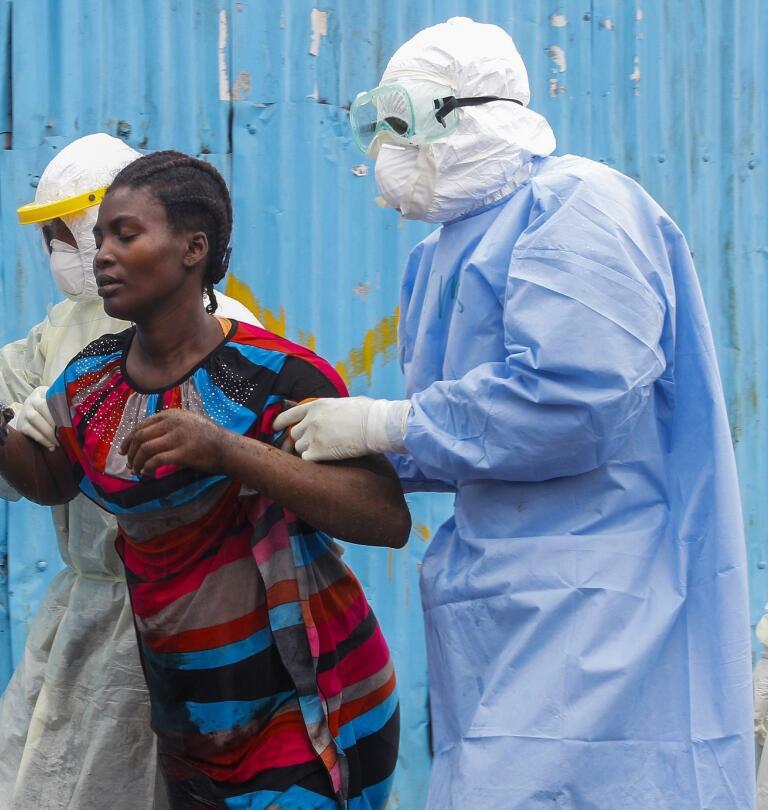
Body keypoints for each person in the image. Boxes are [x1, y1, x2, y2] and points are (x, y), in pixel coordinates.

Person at [275, 16, 754, 808]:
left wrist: (386, 426)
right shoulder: (440, 254)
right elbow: (469, 436)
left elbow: (575, 402)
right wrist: (336, 448)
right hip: (503, 593)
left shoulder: (578, 207)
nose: (388, 153)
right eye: (379, 129)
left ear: (472, 116)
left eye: (407, 125)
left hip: (605, 592)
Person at [0, 151, 409, 808]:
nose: (99, 255)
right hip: (192, 720)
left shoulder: (267, 374)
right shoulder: (90, 377)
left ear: (193, 248)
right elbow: (57, 479)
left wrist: (230, 452)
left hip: (302, 690)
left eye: (124, 235)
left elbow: (384, 518)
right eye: (98, 236)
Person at [0, 133, 259, 810]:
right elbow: (13, 478)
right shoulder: (51, 338)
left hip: (189, 606)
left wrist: (81, 417)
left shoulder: (230, 335)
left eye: (70, 233)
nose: (64, 252)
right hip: (89, 605)